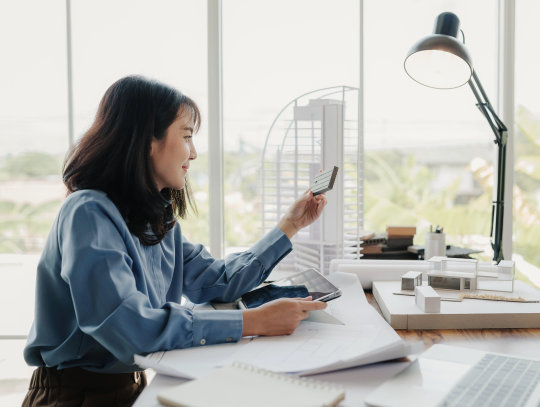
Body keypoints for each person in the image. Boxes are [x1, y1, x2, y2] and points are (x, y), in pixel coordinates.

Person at [22, 75, 328, 407]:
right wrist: (252, 322)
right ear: (146, 142)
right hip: (74, 396)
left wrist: (290, 224)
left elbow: (217, 281)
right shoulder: (88, 213)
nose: (193, 153)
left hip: (132, 384)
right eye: (186, 136)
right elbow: (131, 327)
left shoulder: (155, 219)